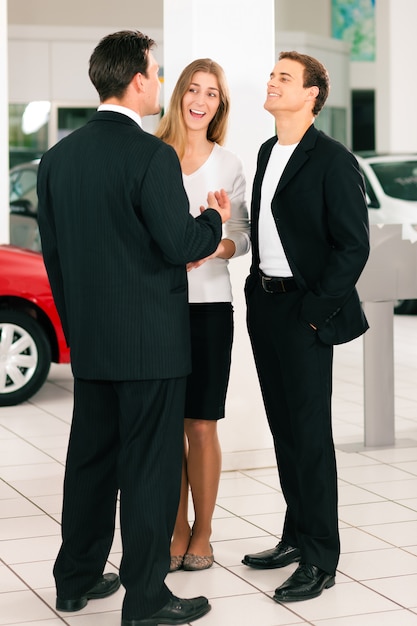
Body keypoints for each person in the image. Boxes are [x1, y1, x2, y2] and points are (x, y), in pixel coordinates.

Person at [37, 30, 231, 626]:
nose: (159, 81)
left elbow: (55, 259)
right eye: (157, 70)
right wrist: (212, 218)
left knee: (90, 463)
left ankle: (75, 579)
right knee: (147, 471)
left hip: (92, 343)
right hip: (150, 345)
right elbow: (178, 244)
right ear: (139, 81)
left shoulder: (58, 158)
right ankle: (146, 599)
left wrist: (77, 332)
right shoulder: (153, 155)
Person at [241, 51, 370, 603]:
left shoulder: (333, 160)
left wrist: (314, 311)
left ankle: (321, 557)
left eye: (284, 78)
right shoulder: (269, 150)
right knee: (284, 431)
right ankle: (295, 535)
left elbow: (353, 246)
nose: (271, 82)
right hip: (265, 305)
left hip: (304, 312)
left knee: (311, 438)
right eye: (272, 75)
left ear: (313, 95)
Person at [155, 59, 250, 572]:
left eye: (211, 94)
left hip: (210, 308)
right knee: (166, 425)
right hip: (158, 307)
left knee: (202, 425)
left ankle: (204, 531)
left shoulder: (229, 164)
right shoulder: (151, 155)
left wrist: (211, 248)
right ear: (178, 97)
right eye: (193, 89)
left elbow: (242, 237)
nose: (200, 100)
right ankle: (176, 528)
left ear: (220, 105)